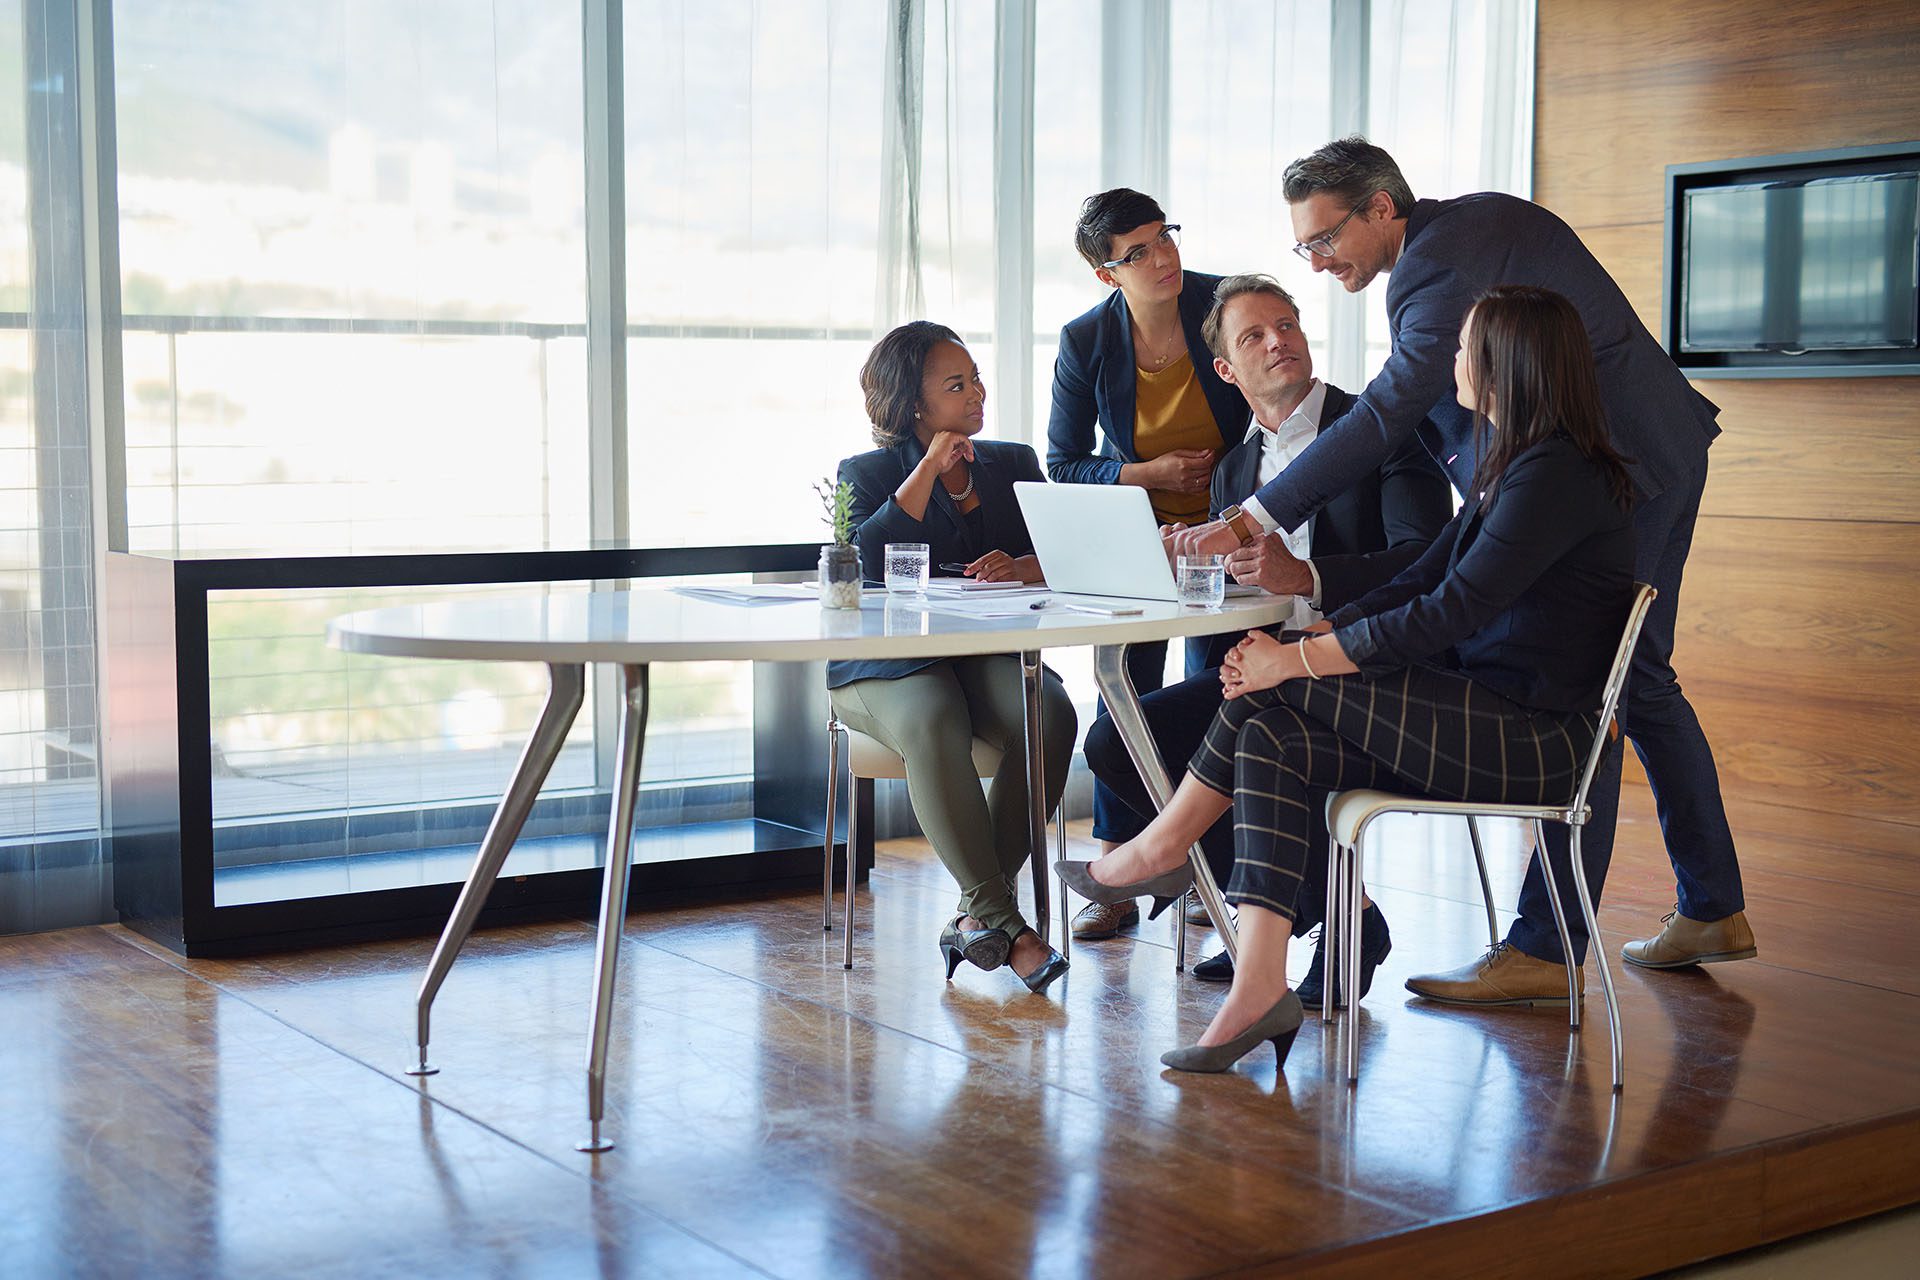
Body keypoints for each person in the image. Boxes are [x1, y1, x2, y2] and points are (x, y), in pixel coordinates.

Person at [1170, 137, 1754, 1003]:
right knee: (1640, 686)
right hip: (1597, 466)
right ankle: (1708, 906)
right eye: (1304, 247)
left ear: (1380, 209)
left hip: (1630, 466)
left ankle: (1550, 950)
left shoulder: (1440, 262)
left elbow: (1385, 415)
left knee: (1611, 689)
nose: (1317, 261)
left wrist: (1252, 516)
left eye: (1324, 239)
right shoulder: (1449, 242)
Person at [1062, 285, 1638, 1071]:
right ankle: (1260, 982)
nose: (1452, 362)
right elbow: (1427, 577)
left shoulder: (1554, 476)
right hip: (1487, 713)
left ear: (1508, 366)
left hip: (1533, 736)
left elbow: (1447, 612)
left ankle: (1161, 846)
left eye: (1464, 348)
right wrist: (1325, 629)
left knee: (1270, 689)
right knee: (1269, 728)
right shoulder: (1517, 465)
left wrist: (1294, 656)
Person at [1078, 273, 1451, 996]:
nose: (1278, 341)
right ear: (1225, 369)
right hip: (1271, 672)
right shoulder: (1236, 470)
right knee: (1117, 740)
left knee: (1250, 739)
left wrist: (1307, 576)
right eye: (1254, 335)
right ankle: (1320, 913)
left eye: (1287, 324)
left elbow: (1428, 563)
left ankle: (1284, 921)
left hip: (1367, 668)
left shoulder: (1382, 431)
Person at [830, 321, 1074, 993]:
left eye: (976, 378)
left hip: (982, 655)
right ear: (915, 405)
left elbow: (1065, 552)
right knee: (934, 715)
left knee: (1049, 714)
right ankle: (1002, 920)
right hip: (884, 667)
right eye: (957, 384)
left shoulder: (1014, 462)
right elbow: (863, 563)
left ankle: (974, 919)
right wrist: (928, 469)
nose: (977, 392)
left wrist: (1023, 567)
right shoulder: (868, 472)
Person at [1045, 188, 1247, 942]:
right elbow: (1062, 463)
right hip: (1137, 541)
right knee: (1124, 693)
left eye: (1165, 238)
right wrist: (1148, 474)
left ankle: (1206, 869)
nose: (1163, 258)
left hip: (1231, 536)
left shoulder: (1222, 304)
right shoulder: (1086, 341)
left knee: (1215, 692)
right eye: (1138, 252)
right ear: (1107, 273)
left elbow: (1274, 408)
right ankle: (1115, 872)